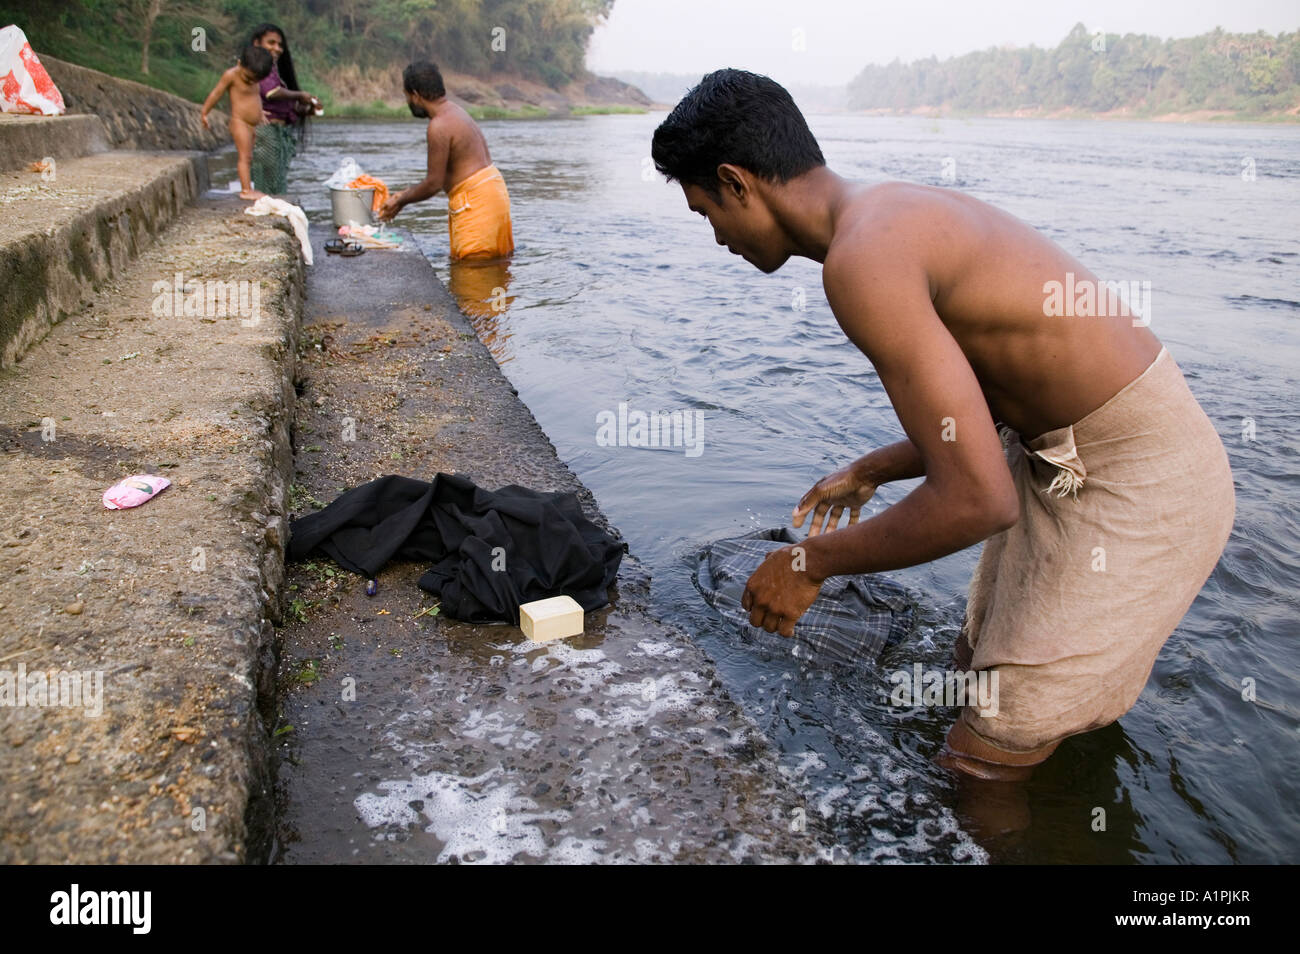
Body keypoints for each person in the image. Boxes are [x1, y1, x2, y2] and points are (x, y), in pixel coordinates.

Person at [651, 69, 1235, 782]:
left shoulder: (863, 261)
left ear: (737, 182)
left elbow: (976, 500)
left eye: (706, 212)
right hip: (1058, 452)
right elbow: (993, 399)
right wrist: (876, 468)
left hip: (1142, 474)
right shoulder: (884, 216)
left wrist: (808, 564)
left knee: (983, 756)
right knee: (971, 672)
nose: (716, 239)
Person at [378, 61, 514, 261]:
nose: (407, 101)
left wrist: (400, 200)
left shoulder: (438, 125)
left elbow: (434, 183)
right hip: (493, 194)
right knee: (493, 269)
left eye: (406, 96)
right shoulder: (455, 111)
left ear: (415, 94)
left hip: (475, 202)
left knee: (473, 276)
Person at [249, 23, 319, 196]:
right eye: (271, 43)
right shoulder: (257, 66)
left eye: (280, 45)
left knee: (275, 181)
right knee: (266, 183)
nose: (277, 48)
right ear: (256, 44)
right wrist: (300, 95)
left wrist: (305, 109)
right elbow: (271, 93)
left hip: (277, 133)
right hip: (265, 132)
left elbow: (281, 106)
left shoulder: (271, 69)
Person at [200, 45, 273, 200]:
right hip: (240, 122)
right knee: (244, 157)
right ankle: (246, 190)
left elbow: (254, 97)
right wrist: (205, 112)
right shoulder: (231, 75)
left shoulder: (253, 76)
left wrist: (259, 113)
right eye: (247, 78)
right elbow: (216, 93)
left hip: (252, 124)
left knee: (250, 157)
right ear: (240, 64)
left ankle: (248, 187)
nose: (250, 82)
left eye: (255, 80)